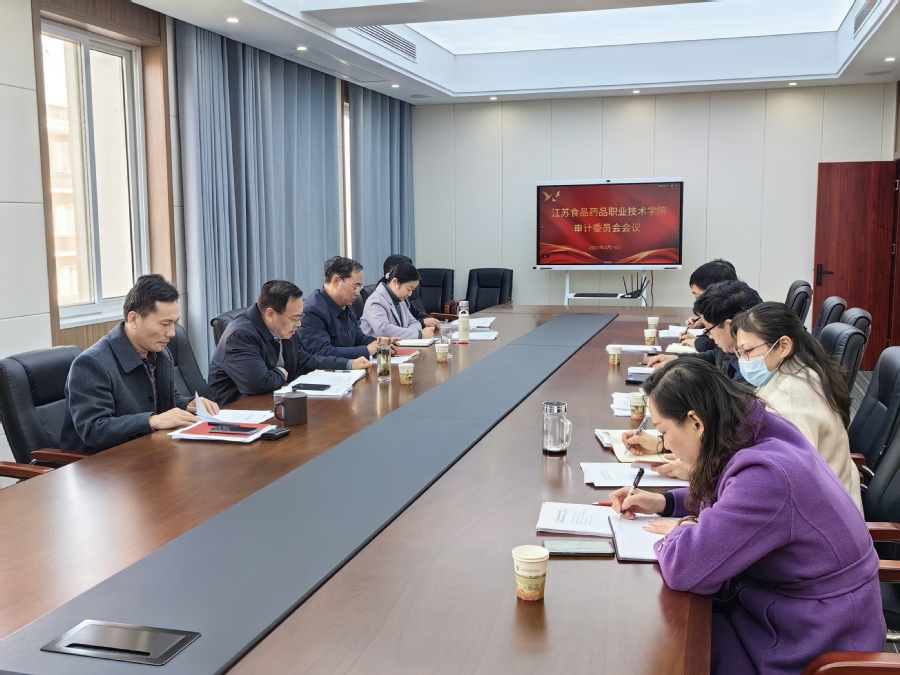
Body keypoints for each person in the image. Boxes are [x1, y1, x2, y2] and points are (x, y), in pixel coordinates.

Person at [611, 359, 884, 675]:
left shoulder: (767, 476)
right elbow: (733, 498)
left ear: (696, 422)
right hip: (796, 610)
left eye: (663, 432)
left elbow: (685, 568)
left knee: (666, 650)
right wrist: (665, 502)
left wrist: (681, 529)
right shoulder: (759, 426)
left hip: (813, 637)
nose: (666, 445)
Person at [60, 275, 220, 454]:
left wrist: (188, 404)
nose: (172, 333)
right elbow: (94, 430)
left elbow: (163, 398)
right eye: (165, 324)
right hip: (102, 463)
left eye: (174, 323)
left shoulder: (160, 353)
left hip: (148, 452)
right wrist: (152, 421)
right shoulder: (91, 364)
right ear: (134, 319)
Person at [730, 301, 862, 511]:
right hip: (827, 501)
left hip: (823, 513)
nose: (743, 360)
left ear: (783, 346)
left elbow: (789, 478)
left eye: (747, 351)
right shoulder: (800, 370)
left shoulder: (791, 397)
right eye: (739, 353)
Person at [207, 281, 371, 406]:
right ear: (270, 314)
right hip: (237, 412)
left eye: (300, 316)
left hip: (273, 403)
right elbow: (259, 383)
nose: (299, 324)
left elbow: (305, 361)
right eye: (294, 318)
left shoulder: (284, 328)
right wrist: (281, 373)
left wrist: (348, 364)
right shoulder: (240, 335)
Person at [648, 280, 762, 382]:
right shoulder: (732, 347)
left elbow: (732, 395)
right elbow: (715, 356)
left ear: (729, 325)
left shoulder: (752, 364)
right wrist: (676, 359)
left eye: (709, 329)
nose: (710, 336)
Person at [300, 256, 398, 359]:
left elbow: (359, 339)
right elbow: (322, 353)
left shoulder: (346, 306)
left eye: (360, 287)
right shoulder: (312, 311)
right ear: (336, 281)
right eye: (356, 286)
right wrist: (366, 350)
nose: (358, 293)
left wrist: (382, 344)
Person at [360, 262, 436, 340]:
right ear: (395, 282)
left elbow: (414, 322)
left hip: (399, 345)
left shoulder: (400, 300)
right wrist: (418, 335)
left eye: (412, 290)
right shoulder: (376, 300)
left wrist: (408, 334)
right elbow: (383, 330)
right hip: (377, 347)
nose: (410, 294)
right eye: (408, 289)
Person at [682, 259, 738, 351]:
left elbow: (716, 347)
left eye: (699, 297)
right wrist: (703, 324)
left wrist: (697, 342)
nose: (698, 303)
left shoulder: (735, 314)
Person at [381, 254, 442, 331]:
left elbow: (414, 314)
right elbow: (391, 329)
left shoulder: (401, 294)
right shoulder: (379, 298)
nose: (410, 294)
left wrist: (429, 320)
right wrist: (421, 324)